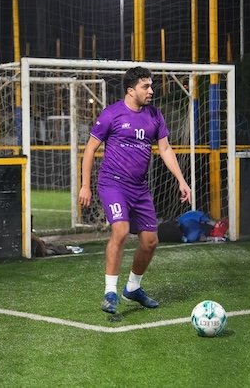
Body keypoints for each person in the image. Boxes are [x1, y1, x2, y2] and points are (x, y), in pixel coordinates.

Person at [79, 66, 191, 314]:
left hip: (139, 188)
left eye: (151, 86)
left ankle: (132, 288)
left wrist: (182, 181)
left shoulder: (155, 115)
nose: (151, 91)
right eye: (145, 86)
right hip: (113, 184)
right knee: (120, 230)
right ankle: (110, 292)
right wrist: (85, 185)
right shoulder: (112, 114)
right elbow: (90, 149)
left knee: (150, 242)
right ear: (131, 90)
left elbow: (165, 149)